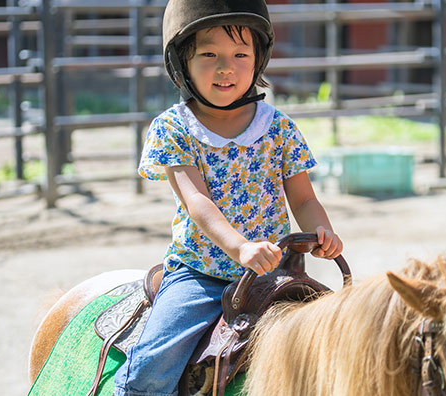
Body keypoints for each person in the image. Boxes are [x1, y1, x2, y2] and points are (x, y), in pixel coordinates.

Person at [112, 0, 343, 395]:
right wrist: (240, 248)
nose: (226, 67)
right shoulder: (174, 129)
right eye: (209, 54)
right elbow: (197, 203)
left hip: (274, 273)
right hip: (201, 274)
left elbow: (303, 199)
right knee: (152, 364)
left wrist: (322, 230)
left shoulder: (279, 128)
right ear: (182, 62)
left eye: (240, 54)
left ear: (258, 60)